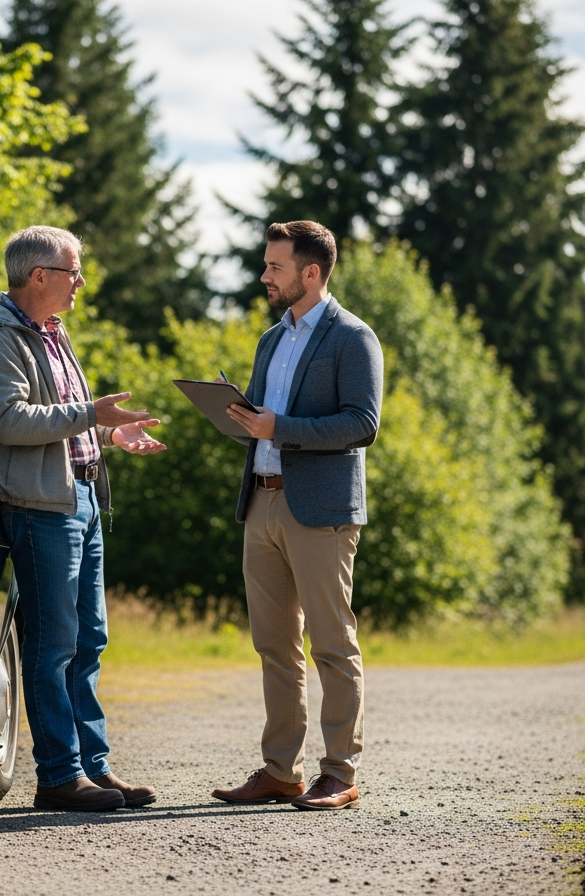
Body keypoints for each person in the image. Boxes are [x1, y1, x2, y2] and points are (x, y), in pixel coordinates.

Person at [0, 225, 166, 812]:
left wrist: (108, 432)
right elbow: (11, 422)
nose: (81, 281)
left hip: (80, 500)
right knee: (53, 646)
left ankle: (93, 770)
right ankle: (58, 776)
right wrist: (87, 414)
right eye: (73, 271)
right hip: (40, 508)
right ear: (38, 276)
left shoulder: (52, 331)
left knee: (89, 640)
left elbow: (63, 422)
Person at [212, 221, 383, 811]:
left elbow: (362, 424)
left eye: (275, 268)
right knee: (274, 644)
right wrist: (237, 417)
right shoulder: (269, 340)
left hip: (321, 509)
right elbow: (263, 419)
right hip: (260, 502)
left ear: (311, 273)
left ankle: (339, 773)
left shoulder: (353, 338)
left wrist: (277, 428)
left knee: (332, 643)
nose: (264, 277)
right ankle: (281, 770)